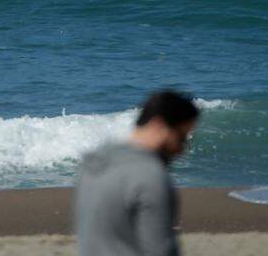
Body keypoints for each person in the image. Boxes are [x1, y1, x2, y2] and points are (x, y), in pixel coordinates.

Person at [75, 90, 200, 256]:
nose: (181, 150)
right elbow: (160, 250)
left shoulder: (93, 164)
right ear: (158, 125)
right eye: (181, 138)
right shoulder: (151, 176)